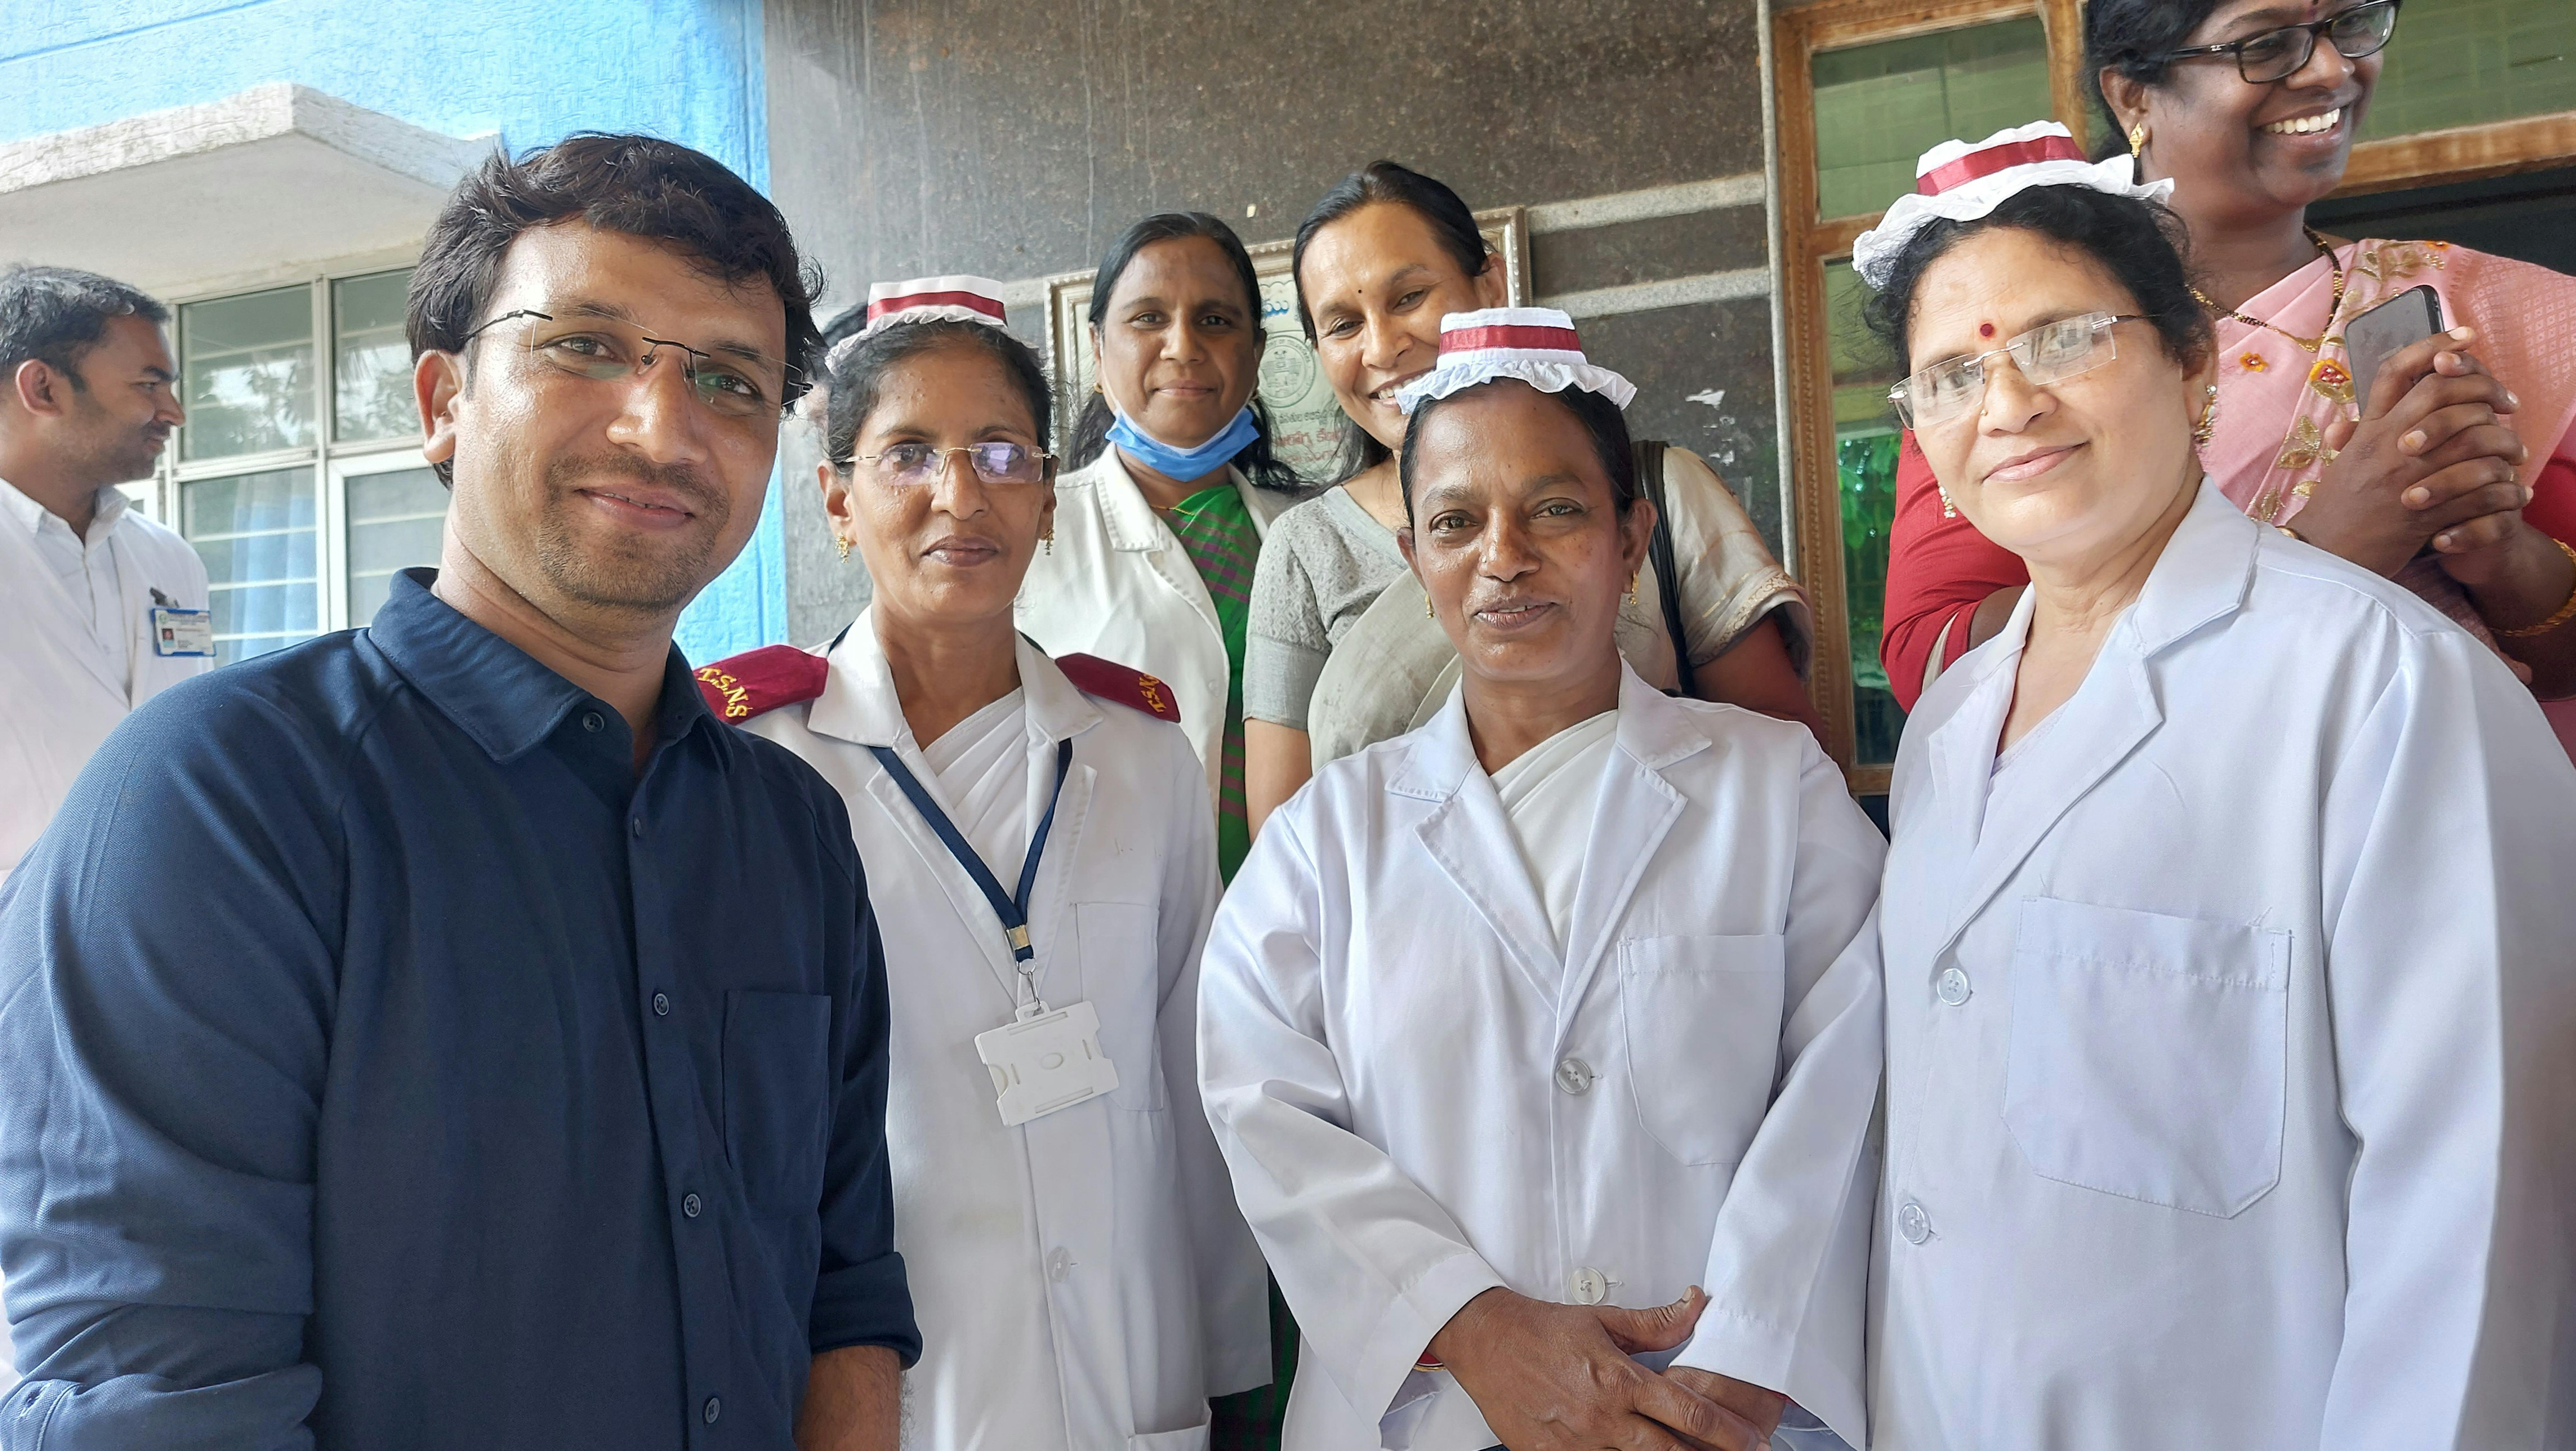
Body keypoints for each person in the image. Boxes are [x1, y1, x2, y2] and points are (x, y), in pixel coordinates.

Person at [0, 135, 919, 1448]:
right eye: (585, 346)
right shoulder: (219, 807)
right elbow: (163, 1405)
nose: (662, 428)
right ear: (441, 399)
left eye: (728, 380)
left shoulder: (788, 828)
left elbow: (842, 1284)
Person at [1858, 131, 2576, 1444]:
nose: (2005, 402)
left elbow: (2475, 1226)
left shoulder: (2386, 690)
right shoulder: (1952, 727)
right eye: (1950, 372)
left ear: (2189, 355)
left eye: (2063, 338)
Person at [1198, 312, 1883, 1451]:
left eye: (1556, 509)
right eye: (1457, 522)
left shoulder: (1776, 794)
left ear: (1632, 538)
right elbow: (1261, 1108)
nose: (1503, 555)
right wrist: (1469, 1325)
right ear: (1418, 565)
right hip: (1439, 1416)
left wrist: (1745, 1359)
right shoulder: (1330, 835)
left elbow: (1850, 1084)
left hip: (1723, 1418)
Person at [703, 276, 1269, 1448]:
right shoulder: (756, 761)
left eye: (1003, 453)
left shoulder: (1144, 749)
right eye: (908, 454)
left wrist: (1224, 1361)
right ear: (835, 500)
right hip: (898, 1375)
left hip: (1132, 1364)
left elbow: (1190, 1060)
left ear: (1050, 501)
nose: (960, 496)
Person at [1879, 0, 2576, 759]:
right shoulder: (2019, 340)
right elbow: (1936, 660)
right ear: (2132, 95)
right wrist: (2327, 546)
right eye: (2266, 44)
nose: (2331, 69)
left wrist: (2495, 553)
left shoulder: (2482, 303)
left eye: (2349, 25)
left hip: (2455, 789)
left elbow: (2557, 664)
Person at [1246, 163, 1817, 833]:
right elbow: (1286, 835)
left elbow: (1782, 770)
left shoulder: (1658, 490)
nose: (1383, 346)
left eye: (1408, 299)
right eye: (1342, 325)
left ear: (1489, 285)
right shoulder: (1306, 547)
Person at [1016, 213, 1310, 883]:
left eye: (1215, 321)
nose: (1182, 346)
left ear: (1257, 354)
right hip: (1100, 927)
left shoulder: (1307, 537)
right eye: (1148, 318)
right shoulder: (1028, 533)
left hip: (1293, 930)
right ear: (1098, 348)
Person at [0, 265, 201, 885]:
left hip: (152, 910)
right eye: (148, 385)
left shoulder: (172, 561)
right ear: (44, 389)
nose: (174, 413)